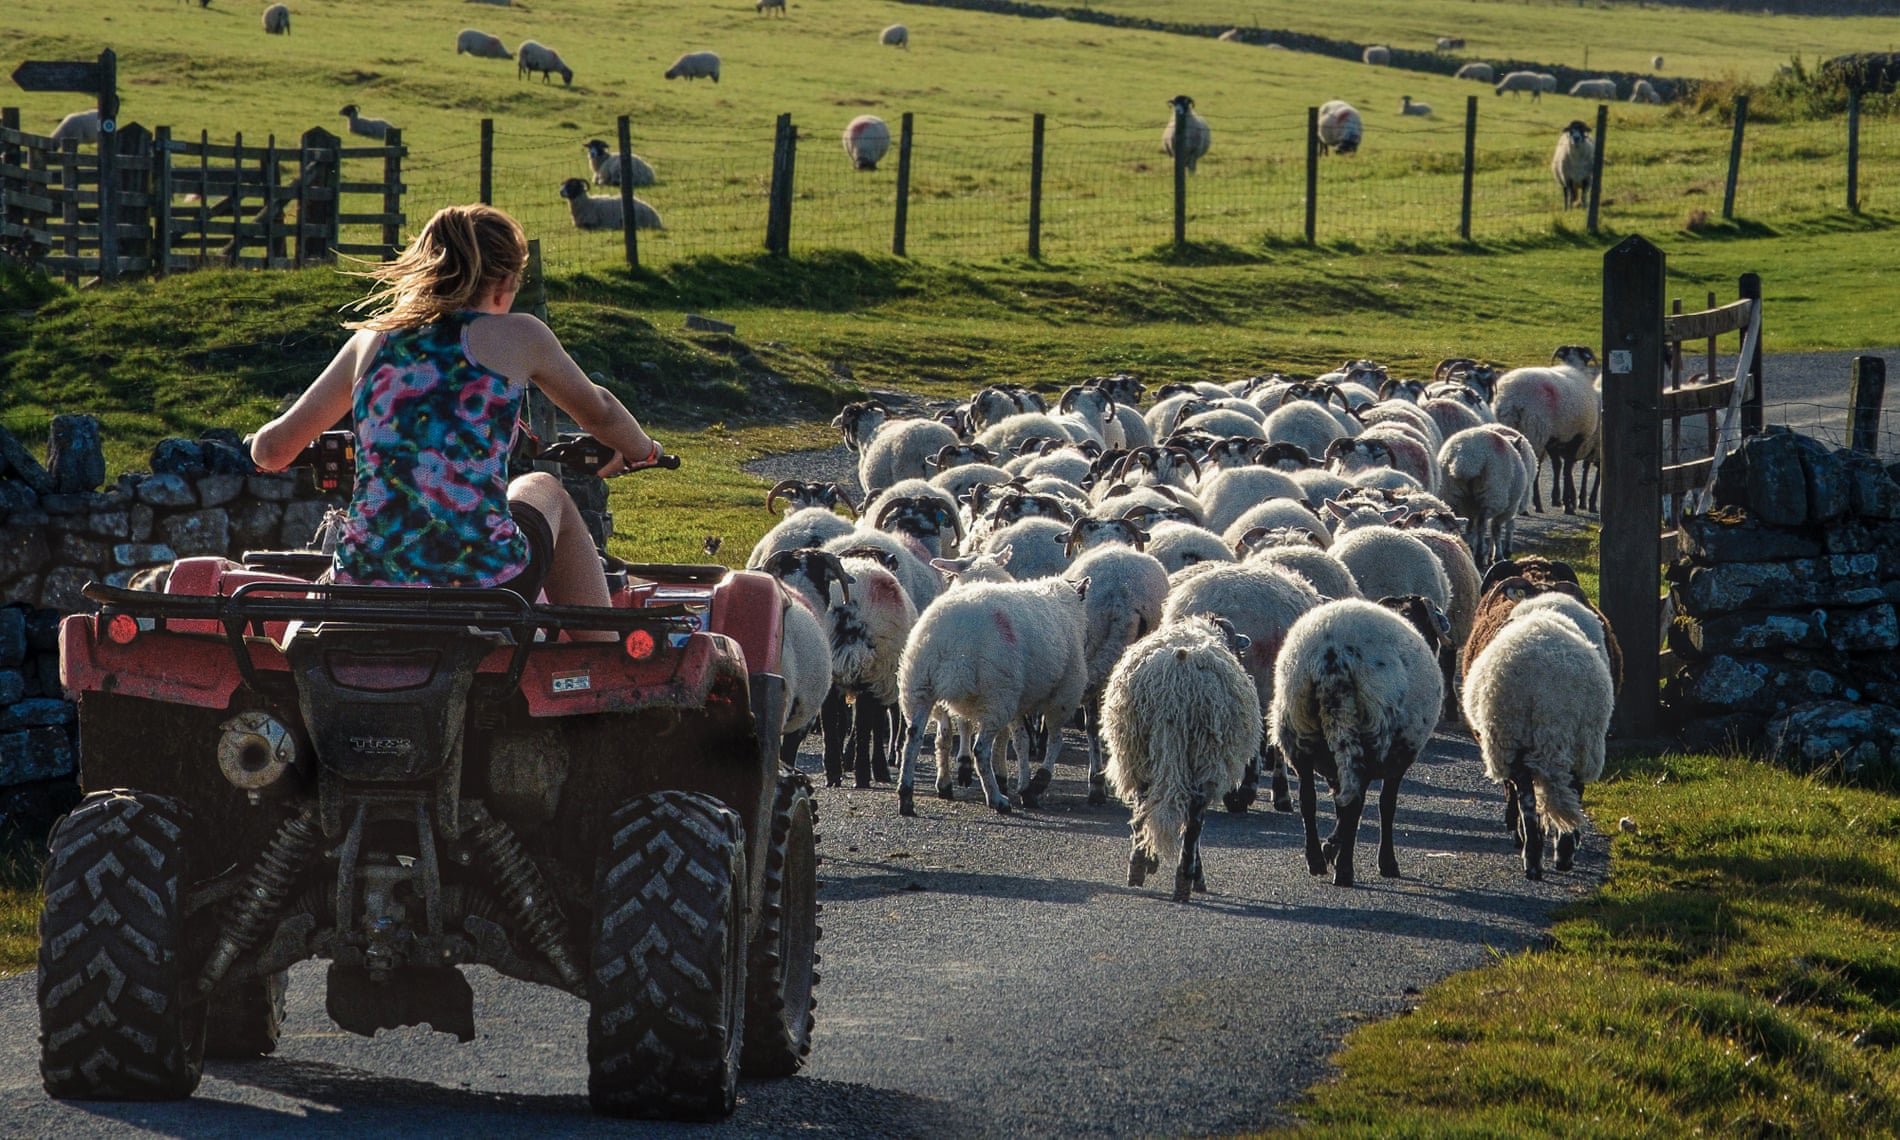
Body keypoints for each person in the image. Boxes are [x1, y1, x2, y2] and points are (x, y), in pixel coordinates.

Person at [250, 204, 660, 640]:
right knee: (545, 488)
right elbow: (599, 410)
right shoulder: (522, 335)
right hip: (487, 589)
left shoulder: (371, 340)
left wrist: (258, 443)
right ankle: (599, 662)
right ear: (505, 282)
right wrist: (644, 451)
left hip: (363, 588)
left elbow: (272, 451)